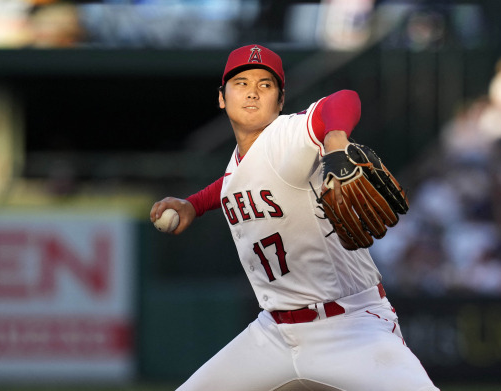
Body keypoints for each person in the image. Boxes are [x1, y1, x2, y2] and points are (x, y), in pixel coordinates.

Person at [150, 44, 439, 391]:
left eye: (265, 84)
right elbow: (233, 185)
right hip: (274, 334)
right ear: (222, 98)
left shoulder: (285, 137)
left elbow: (343, 99)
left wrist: (334, 139)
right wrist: (194, 204)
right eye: (241, 83)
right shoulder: (240, 162)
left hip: (350, 327)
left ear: (281, 100)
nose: (253, 91)